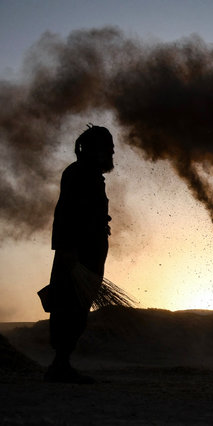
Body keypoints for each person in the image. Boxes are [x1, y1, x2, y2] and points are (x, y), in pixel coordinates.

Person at [45, 125, 114, 383]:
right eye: (108, 149)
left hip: (87, 254)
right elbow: (64, 215)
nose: (112, 154)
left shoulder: (91, 175)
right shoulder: (79, 174)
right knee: (69, 307)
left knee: (78, 308)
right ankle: (59, 366)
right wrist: (66, 251)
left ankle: (61, 364)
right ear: (94, 150)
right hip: (76, 255)